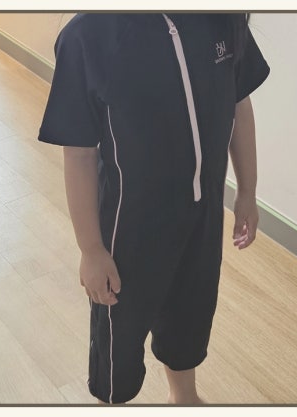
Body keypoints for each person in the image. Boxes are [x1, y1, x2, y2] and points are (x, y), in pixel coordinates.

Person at [38, 12, 270, 404]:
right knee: (120, 334)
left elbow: (239, 104)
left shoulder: (218, 19)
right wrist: (91, 249)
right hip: (129, 229)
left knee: (191, 315)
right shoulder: (88, 36)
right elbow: (79, 154)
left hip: (203, 216)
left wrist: (247, 191)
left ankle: (184, 397)